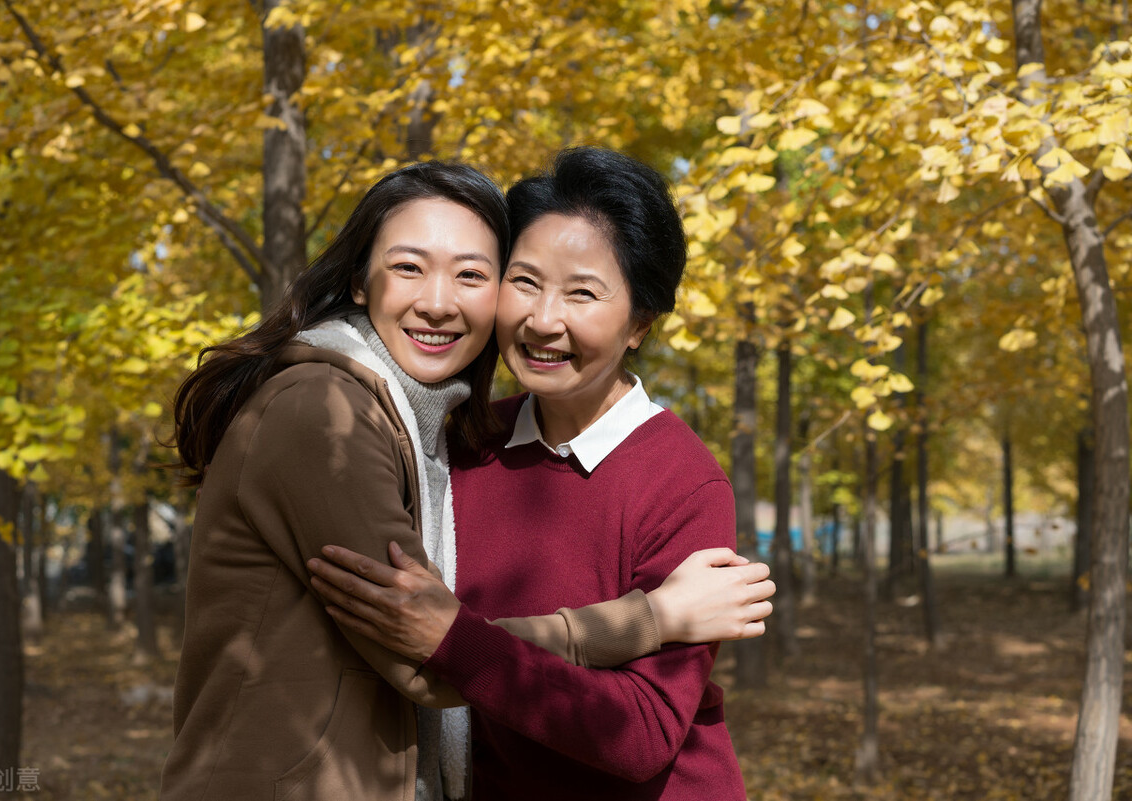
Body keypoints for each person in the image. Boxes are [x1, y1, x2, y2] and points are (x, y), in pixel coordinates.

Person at [162, 160, 773, 801]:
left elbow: (640, 734)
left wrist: (456, 643)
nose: (543, 319)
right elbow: (428, 648)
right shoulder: (464, 441)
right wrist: (648, 619)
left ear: (640, 324)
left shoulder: (682, 483)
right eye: (526, 282)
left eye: (583, 294)